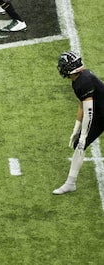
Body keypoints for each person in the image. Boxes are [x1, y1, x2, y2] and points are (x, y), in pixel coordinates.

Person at [53, 51, 104, 195]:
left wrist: (83, 136)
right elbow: (82, 105)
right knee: (78, 146)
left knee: (81, 143)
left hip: (98, 114)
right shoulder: (79, 80)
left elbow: (89, 112)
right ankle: (70, 183)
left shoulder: (84, 81)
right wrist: (76, 129)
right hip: (100, 116)